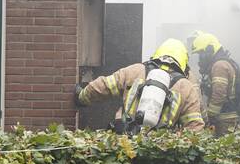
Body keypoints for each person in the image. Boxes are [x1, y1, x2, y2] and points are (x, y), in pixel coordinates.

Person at [75, 38, 205, 133]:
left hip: (126, 141)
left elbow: (103, 86)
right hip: (161, 151)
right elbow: (195, 128)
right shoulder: (186, 87)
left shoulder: (136, 71)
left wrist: (82, 97)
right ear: (183, 62)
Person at [188, 32, 240, 135]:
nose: (200, 59)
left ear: (209, 51)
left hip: (225, 119)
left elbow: (219, 94)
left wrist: (209, 117)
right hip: (225, 118)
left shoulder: (219, 66)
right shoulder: (220, 63)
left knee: (225, 148)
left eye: (201, 54)